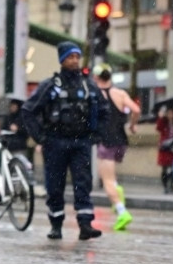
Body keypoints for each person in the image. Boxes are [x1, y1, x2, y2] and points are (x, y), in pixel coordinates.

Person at [22, 41, 108, 241]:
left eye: (77, 56)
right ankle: (56, 225)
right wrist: (40, 137)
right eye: (70, 57)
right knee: (54, 185)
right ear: (62, 60)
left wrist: (96, 135)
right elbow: (28, 110)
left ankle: (85, 224)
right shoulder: (51, 85)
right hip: (55, 142)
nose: (75, 60)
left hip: (81, 143)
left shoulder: (88, 85)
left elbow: (104, 111)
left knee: (83, 183)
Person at [93, 62, 139, 231]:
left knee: (107, 180)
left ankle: (121, 211)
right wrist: (133, 126)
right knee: (112, 178)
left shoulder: (96, 94)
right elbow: (136, 109)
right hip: (121, 140)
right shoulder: (119, 93)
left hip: (105, 141)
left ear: (96, 77)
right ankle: (117, 192)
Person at [155, 106, 173, 193]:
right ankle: (165, 187)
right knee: (164, 168)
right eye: (168, 113)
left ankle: (171, 185)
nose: (170, 115)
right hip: (164, 147)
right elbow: (158, 128)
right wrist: (160, 117)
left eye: (172, 113)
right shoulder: (163, 122)